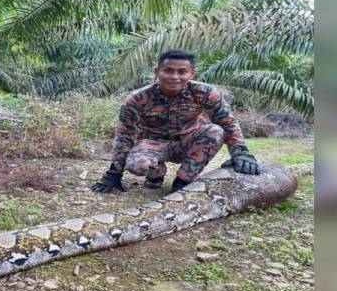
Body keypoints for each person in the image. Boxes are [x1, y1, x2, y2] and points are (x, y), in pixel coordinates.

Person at [91, 49, 259, 194]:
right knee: (138, 165)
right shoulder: (138, 98)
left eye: (182, 72)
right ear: (157, 71)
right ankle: (155, 173)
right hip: (152, 143)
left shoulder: (205, 93)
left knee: (216, 131)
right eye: (168, 70)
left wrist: (241, 152)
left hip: (188, 142)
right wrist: (114, 173)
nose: (174, 77)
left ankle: (182, 182)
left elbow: (227, 122)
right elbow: (125, 135)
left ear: (192, 73)